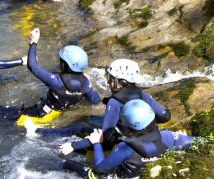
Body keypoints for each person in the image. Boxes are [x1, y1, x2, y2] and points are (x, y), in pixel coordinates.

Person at [0, 28, 100, 124]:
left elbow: (33, 66)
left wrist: (33, 42)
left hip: (37, 117)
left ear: (64, 64)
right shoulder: (85, 83)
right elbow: (94, 100)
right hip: (53, 116)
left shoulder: (56, 81)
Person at [36, 59, 170, 150]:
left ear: (120, 82)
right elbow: (165, 116)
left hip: (121, 140)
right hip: (143, 134)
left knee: (81, 126)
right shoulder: (142, 94)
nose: (108, 83)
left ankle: (40, 132)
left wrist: (76, 146)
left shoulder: (115, 101)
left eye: (111, 79)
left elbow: (106, 135)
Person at [61, 100, 193, 179]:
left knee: (67, 164)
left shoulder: (127, 146)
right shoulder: (167, 136)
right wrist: (182, 138)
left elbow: (101, 168)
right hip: (138, 177)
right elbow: (198, 141)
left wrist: (96, 143)